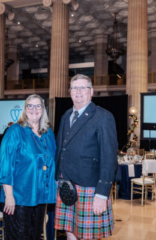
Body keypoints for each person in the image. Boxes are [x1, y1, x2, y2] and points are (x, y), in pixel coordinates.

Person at [54, 74, 118, 240]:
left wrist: (102, 194)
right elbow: (61, 149)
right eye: (75, 88)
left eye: (83, 87)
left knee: (88, 236)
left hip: (89, 187)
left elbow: (109, 158)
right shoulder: (66, 115)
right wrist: (56, 177)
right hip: (65, 184)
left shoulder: (103, 117)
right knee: (69, 231)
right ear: (70, 92)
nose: (78, 91)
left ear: (92, 91)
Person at [0, 94, 56, 240]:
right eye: (30, 105)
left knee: (34, 236)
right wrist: (9, 196)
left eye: (38, 106)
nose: (34, 109)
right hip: (19, 198)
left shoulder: (48, 133)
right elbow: (6, 167)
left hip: (40, 196)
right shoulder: (14, 131)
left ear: (43, 109)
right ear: (25, 109)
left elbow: (53, 161)